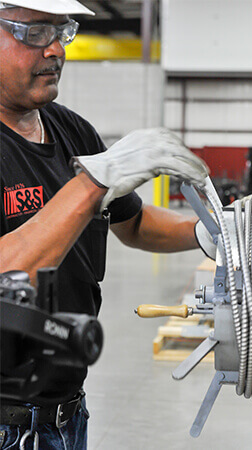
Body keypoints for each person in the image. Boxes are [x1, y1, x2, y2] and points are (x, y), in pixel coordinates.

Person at [0, 1, 215, 448]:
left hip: (66, 413)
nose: (56, 50)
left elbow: (132, 223)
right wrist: (94, 181)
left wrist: (208, 231)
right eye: (35, 33)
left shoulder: (73, 132)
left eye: (63, 32)